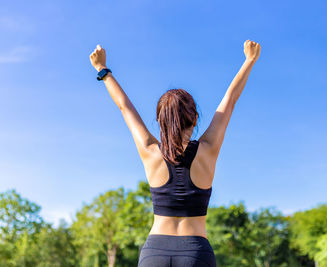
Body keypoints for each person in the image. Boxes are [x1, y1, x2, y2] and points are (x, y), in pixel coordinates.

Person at [89, 40, 261, 267]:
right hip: (195, 253)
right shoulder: (208, 149)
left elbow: (125, 107)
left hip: (154, 254)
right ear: (195, 119)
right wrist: (249, 60)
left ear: (160, 122)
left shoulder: (150, 151)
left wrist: (102, 69)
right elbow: (229, 101)